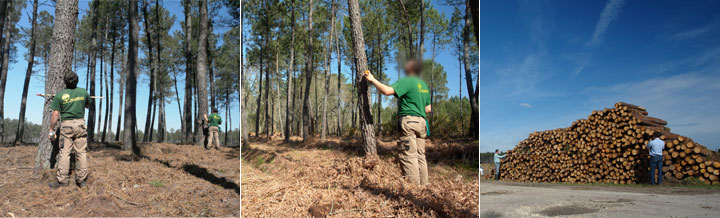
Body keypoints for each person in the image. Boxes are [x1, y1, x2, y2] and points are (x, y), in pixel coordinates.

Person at [364, 59, 431, 185]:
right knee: (420, 156)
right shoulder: (423, 85)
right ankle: (425, 188)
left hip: (408, 121)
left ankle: (414, 191)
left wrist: (372, 79)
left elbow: (387, 91)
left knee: (409, 156)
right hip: (422, 123)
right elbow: (428, 108)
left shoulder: (407, 81)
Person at [48, 71, 91, 188]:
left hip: (66, 126)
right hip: (81, 125)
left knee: (65, 153)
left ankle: (62, 181)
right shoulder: (84, 92)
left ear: (65, 82)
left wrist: (51, 130)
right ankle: (81, 181)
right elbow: (87, 105)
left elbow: (55, 115)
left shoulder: (60, 95)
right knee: (81, 152)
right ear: (77, 81)